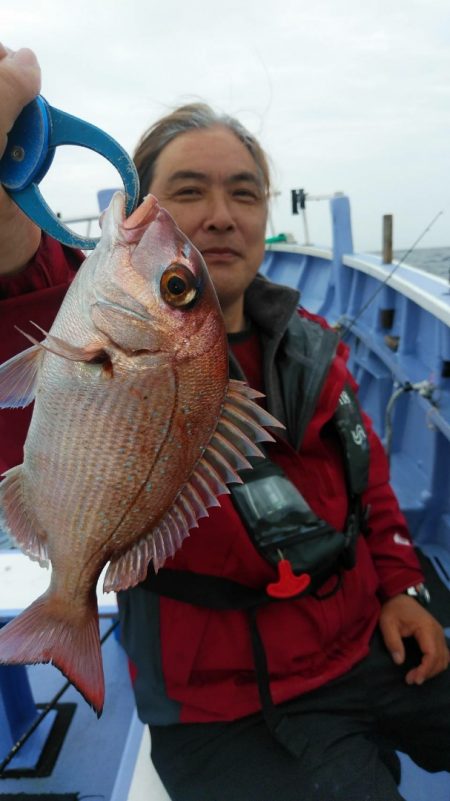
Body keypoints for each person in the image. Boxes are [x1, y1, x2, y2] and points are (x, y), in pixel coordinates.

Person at [1, 45, 449, 801]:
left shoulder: (311, 338)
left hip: (364, 637)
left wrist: (405, 584)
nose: (219, 214)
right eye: (188, 190)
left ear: (265, 214)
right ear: (143, 198)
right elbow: (27, 287)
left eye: (244, 193)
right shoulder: (84, 319)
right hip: (225, 704)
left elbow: (369, 482)